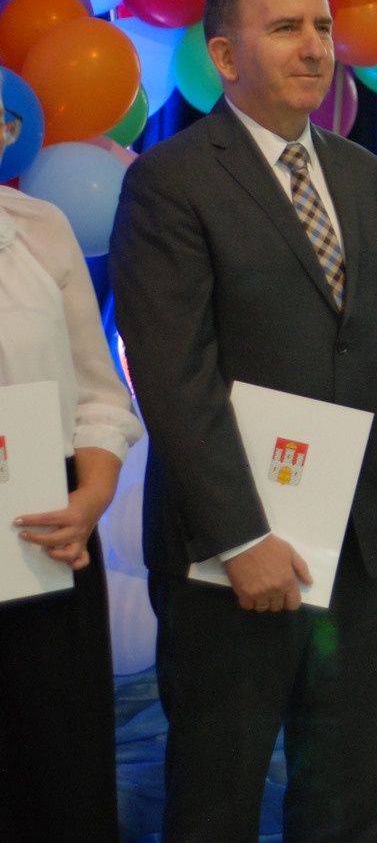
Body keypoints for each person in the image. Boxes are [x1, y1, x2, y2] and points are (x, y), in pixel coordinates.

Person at [109, 0, 377, 843]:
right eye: (285, 28)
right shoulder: (171, 180)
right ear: (225, 57)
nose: (315, 47)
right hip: (230, 557)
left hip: (362, 548)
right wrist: (241, 536)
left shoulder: (366, 177)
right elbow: (175, 378)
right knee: (218, 799)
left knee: (344, 800)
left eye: (323, 27)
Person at [0, 93, 142, 842]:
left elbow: (98, 395)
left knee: (54, 777)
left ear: (8, 132)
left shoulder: (40, 229)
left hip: (46, 536)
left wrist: (91, 497)